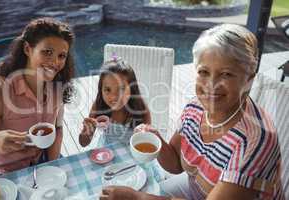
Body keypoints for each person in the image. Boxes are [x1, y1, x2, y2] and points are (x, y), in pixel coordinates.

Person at [100, 24, 285, 200]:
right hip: (195, 189)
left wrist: (137, 198)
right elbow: (175, 165)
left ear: (249, 79)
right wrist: (156, 138)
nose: (211, 85)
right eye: (204, 72)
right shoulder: (195, 108)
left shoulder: (254, 141)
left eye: (226, 74)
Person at [0, 17, 75, 176]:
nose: (55, 62)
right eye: (47, 52)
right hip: (2, 174)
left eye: (62, 56)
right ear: (28, 49)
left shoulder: (57, 87)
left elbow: (58, 127)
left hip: (41, 162)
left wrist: (52, 165)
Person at [79, 58, 151, 147]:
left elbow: (147, 143)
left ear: (132, 88)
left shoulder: (141, 108)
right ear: (101, 90)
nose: (114, 97)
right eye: (108, 90)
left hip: (133, 153)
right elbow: (84, 143)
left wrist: (144, 133)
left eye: (121, 89)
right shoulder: (99, 105)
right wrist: (86, 131)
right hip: (106, 152)